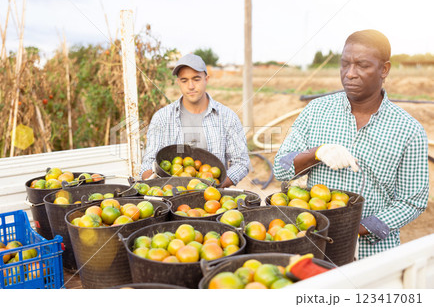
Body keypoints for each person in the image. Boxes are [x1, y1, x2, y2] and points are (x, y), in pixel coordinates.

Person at [273, 29, 429, 259]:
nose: (350, 74)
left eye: (362, 65)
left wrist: (354, 229)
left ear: (384, 69)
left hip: (374, 253)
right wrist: (316, 152)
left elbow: (412, 201)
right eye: (345, 64)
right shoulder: (316, 111)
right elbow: (281, 167)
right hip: (315, 244)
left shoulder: (409, 130)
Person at [140, 53, 250, 187]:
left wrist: (216, 186)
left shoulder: (227, 117)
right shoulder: (162, 118)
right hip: (171, 196)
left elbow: (241, 162)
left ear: (206, 79)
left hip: (213, 200)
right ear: (178, 82)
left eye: (196, 79)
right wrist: (158, 184)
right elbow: (148, 163)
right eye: (184, 80)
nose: (190, 86)